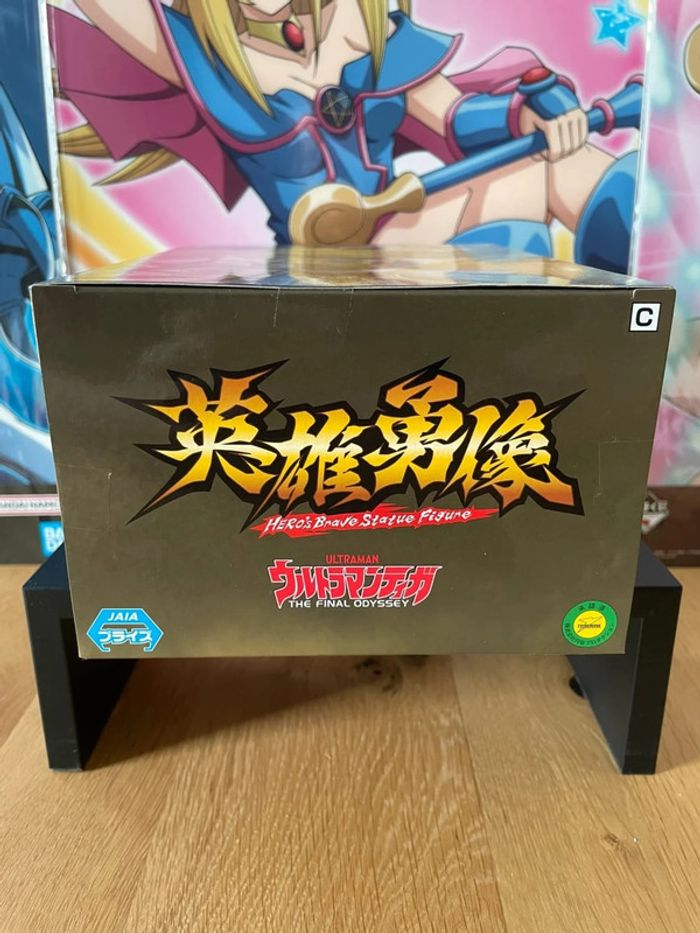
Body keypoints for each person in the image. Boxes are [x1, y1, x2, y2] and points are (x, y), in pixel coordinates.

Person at [51, 0, 638, 270]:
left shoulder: (363, 19)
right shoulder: (201, 54)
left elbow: (451, 116)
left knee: (568, 166)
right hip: (316, 266)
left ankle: (641, 347)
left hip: (396, 224)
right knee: (510, 232)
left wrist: (523, 116)